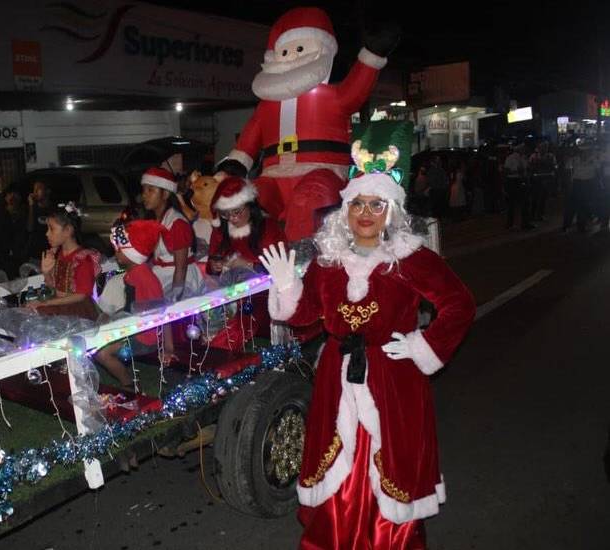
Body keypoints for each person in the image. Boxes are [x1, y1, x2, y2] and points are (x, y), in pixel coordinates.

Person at [260, 141, 475, 549]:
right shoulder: (329, 261)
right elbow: (307, 314)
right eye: (358, 204)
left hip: (393, 376)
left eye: (377, 206)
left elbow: (459, 304)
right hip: (337, 375)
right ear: (346, 210)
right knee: (336, 459)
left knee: (392, 461)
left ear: (391, 212)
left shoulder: (410, 258)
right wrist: (288, 288)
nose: (366, 214)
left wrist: (422, 346)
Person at [215, 6, 398, 241]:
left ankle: (301, 257)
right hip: (273, 176)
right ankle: (252, 252)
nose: (292, 56)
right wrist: (235, 165)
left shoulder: (331, 96)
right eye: (285, 52)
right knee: (249, 200)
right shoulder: (266, 107)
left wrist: (371, 55)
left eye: (300, 49)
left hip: (321, 170)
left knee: (309, 199)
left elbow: (355, 91)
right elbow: (249, 140)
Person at [206, 177, 284, 351]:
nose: (231, 219)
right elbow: (211, 264)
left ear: (250, 205)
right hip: (225, 289)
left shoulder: (268, 227)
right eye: (225, 214)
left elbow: (280, 268)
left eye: (237, 212)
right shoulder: (221, 231)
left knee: (234, 322)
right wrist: (216, 266)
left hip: (261, 294)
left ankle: (222, 351)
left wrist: (248, 264)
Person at [94, 220, 167, 389]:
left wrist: (167, 345)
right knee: (98, 342)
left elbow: (158, 310)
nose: (116, 253)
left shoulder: (144, 278)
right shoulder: (135, 273)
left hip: (144, 335)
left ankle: (130, 385)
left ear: (132, 254)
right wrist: (113, 317)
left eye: (119, 250)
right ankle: (129, 383)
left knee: (102, 353)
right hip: (133, 328)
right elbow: (131, 306)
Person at [140, 167, 204, 300]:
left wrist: (176, 297)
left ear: (165, 194)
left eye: (150, 190)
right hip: (163, 275)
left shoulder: (177, 224)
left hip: (180, 280)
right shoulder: (154, 220)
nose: (144, 195)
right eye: (144, 190)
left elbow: (181, 268)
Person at [32, 202, 100, 320]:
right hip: (61, 305)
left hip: (77, 311)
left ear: (68, 230)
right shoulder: (59, 255)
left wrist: (47, 303)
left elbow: (81, 296)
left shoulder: (83, 258)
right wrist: (46, 273)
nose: (47, 233)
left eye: (52, 229)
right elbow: (55, 288)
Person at [563, 146, 598, 233]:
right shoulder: (574, 159)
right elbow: (567, 168)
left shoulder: (594, 159)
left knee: (584, 205)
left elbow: (598, 170)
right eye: (582, 151)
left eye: (586, 151)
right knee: (571, 206)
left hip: (588, 184)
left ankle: (581, 225)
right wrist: (568, 184)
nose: (584, 153)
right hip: (577, 184)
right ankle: (566, 225)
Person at [504, 144, 533, 230]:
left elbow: (527, 169)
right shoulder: (510, 158)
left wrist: (527, 172)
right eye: (523, 149)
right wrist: (517, 172)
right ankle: (511, 224)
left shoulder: (524, 158)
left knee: (525, 203)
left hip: (521, 181)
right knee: (512, 204)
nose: (525, 150)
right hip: (513, 182)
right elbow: (506, 172)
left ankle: (524, 223)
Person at [26, 179, 53, 263]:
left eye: (39, 189)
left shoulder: (53, 209)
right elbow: (29, 228)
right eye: (34, 189)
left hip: (50, 253)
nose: (35, 192)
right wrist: (31, 206)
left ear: (47, 191)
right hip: (35, 255)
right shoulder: (31, 209)